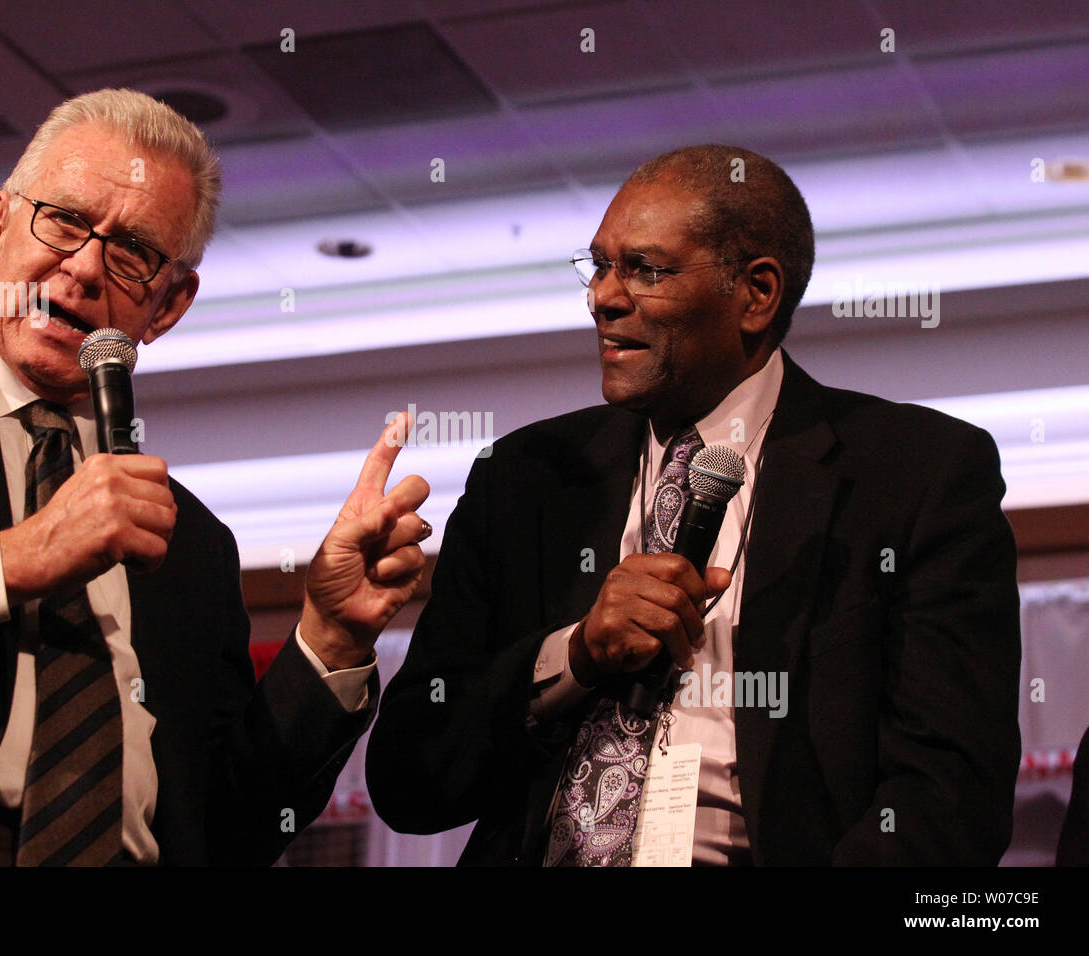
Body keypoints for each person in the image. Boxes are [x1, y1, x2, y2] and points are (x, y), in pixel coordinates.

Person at [0, 88, 429, 866]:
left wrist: (330, 638)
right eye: (62, 219)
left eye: (133, 252)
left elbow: (233, 827)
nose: (85, 267)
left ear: (168, 305)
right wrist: (16, 558)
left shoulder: (187, 541)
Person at [366, 144, 1022, 866]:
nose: (603, 296)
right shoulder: (524, 480)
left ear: (756, 294)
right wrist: (575, 654)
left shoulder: (914, 475)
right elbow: (407, 777)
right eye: (599, 265)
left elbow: (949, 797)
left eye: (645, 269)